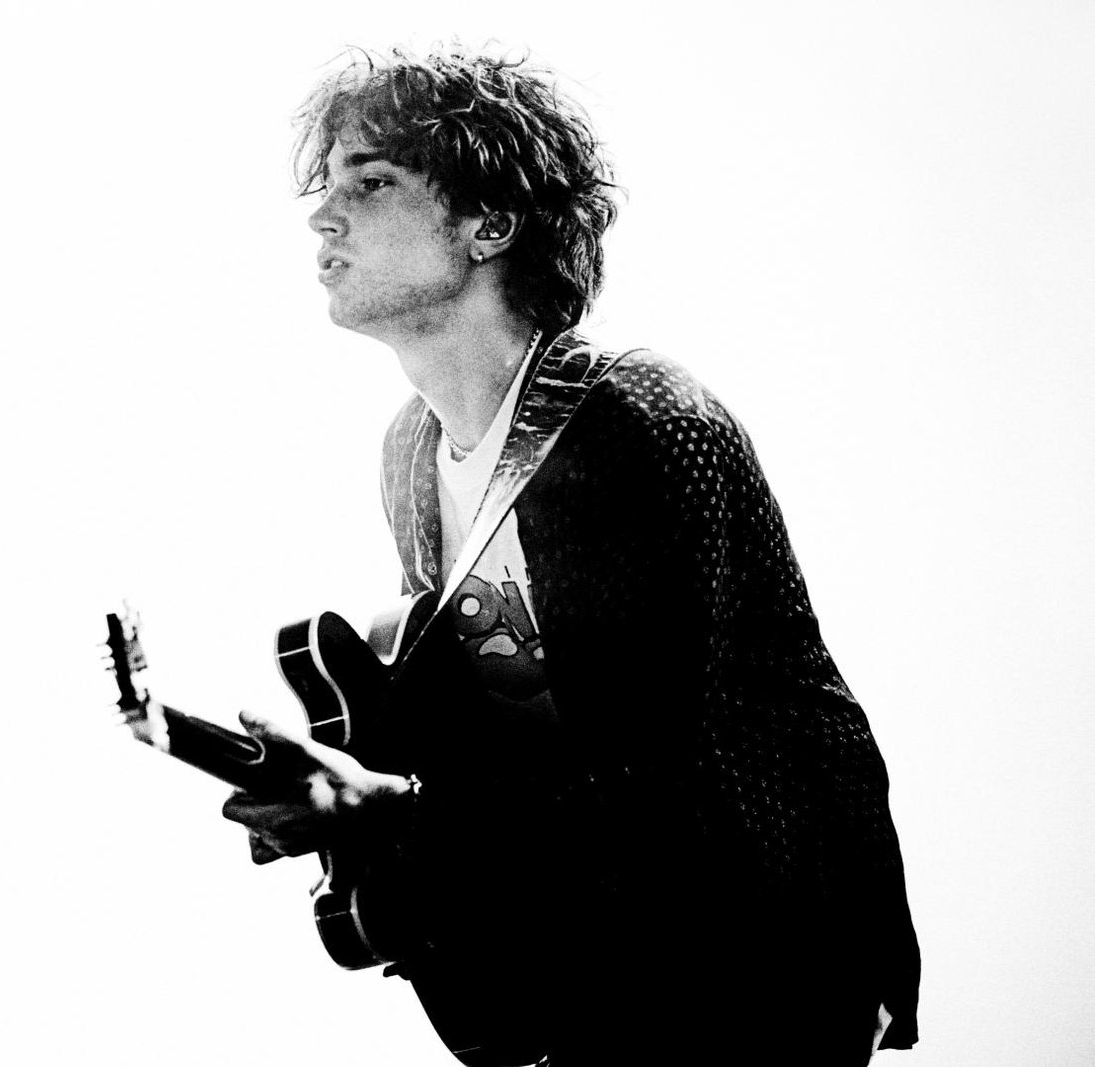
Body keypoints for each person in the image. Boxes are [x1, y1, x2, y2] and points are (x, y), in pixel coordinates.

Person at [221, 47, 919, 1066]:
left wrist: (406, 813)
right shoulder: (411, 454)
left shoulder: (639, 420)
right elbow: (487, 736)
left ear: (490, 224)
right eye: (324, 188)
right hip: (602, 961)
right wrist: (345, 793)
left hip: (756, 957)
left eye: (370, 183)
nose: (323, 217)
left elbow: (661, 769)